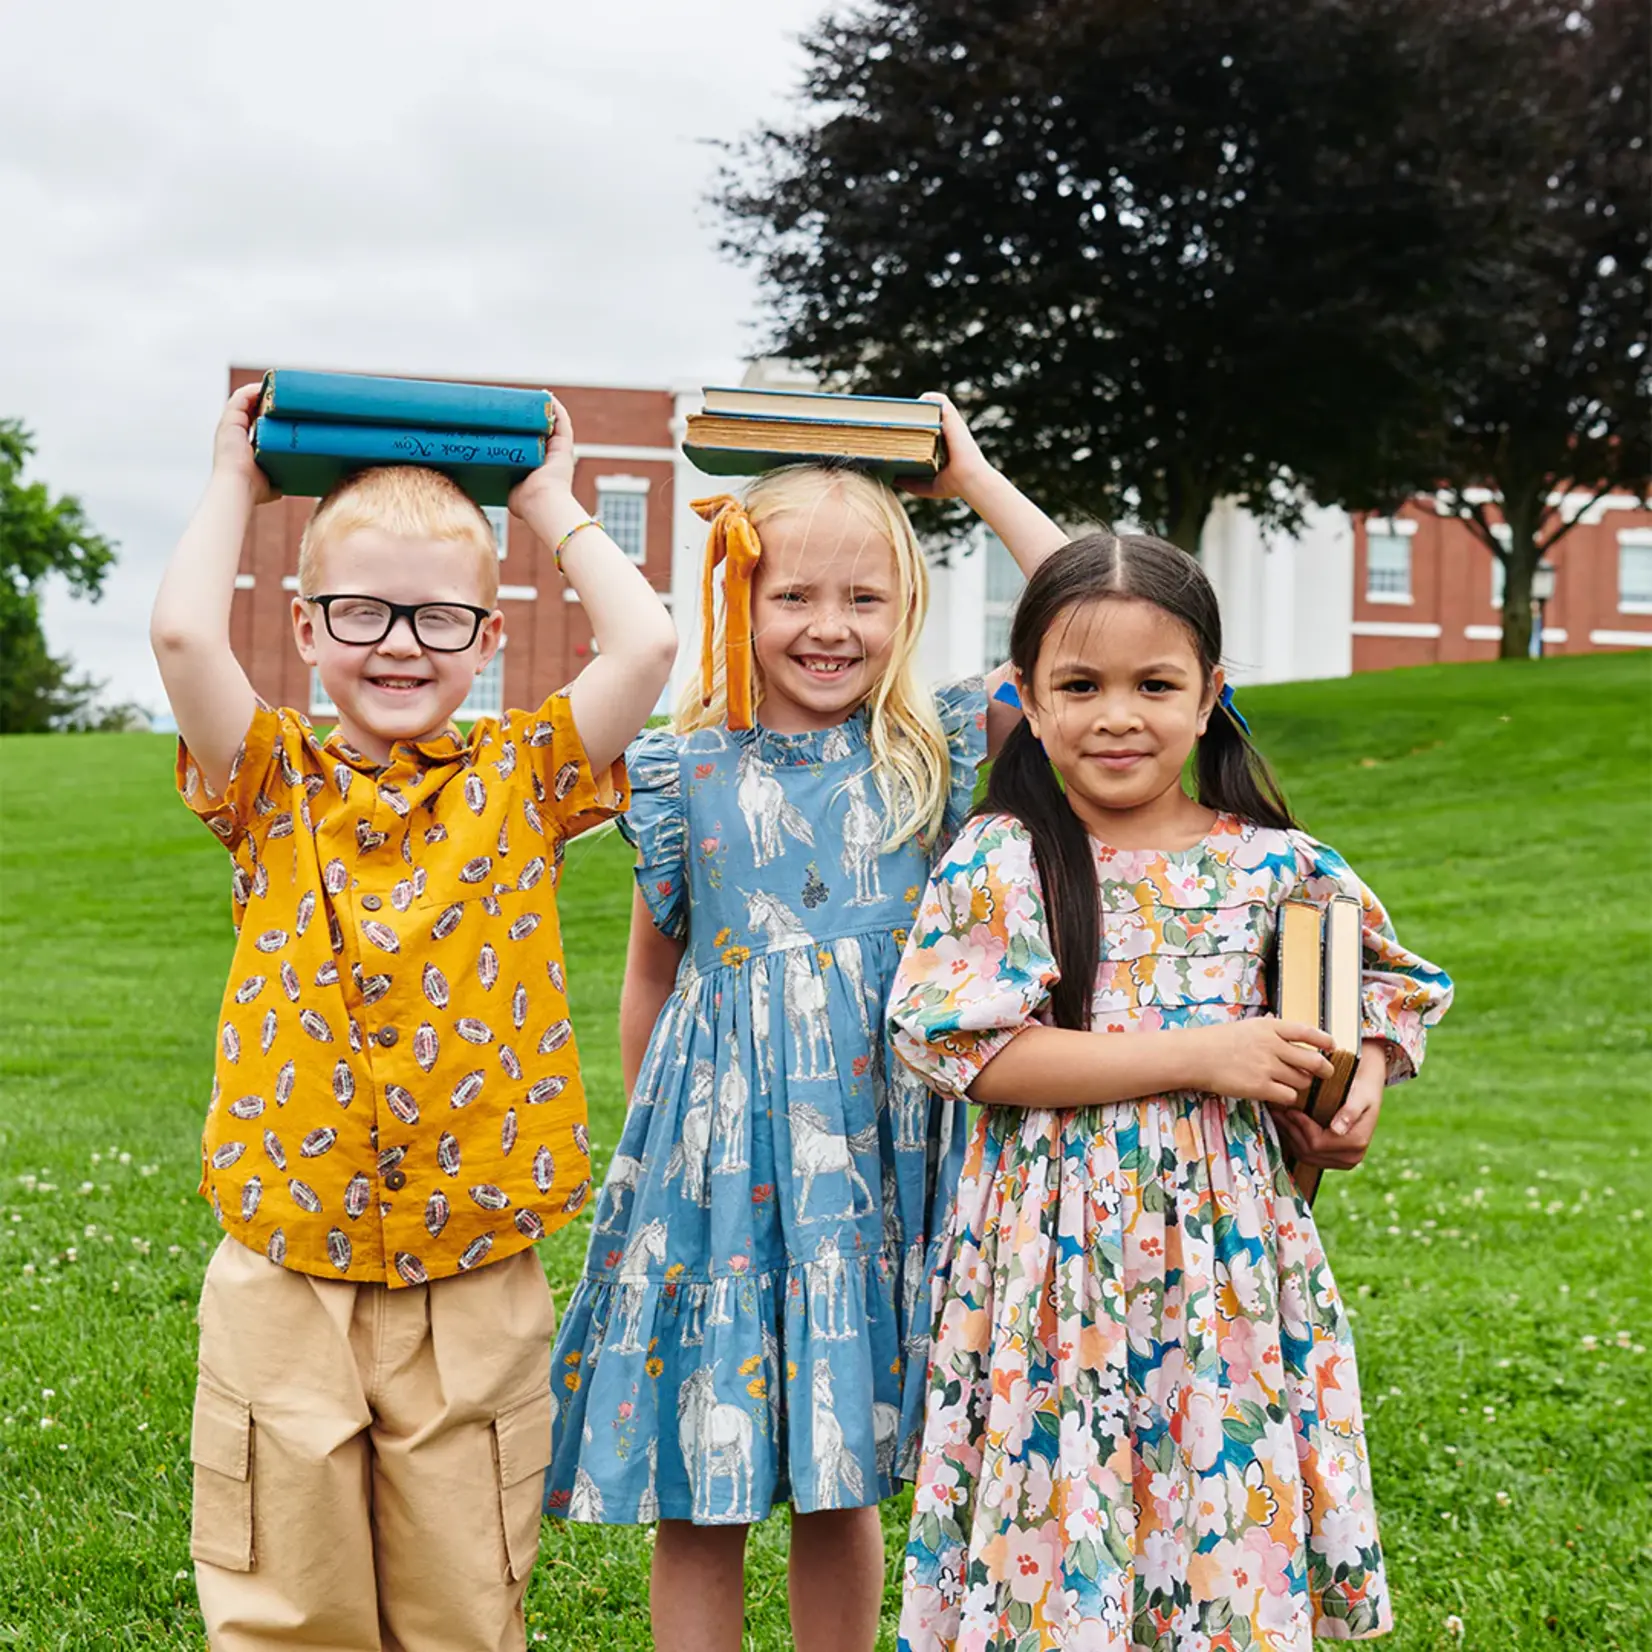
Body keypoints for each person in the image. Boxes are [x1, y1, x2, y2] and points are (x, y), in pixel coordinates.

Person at [150, 382, 676, 1651]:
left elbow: (647, 645)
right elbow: (179, 637)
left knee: (461, 1605)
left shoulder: (528, 776)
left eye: (440, 615)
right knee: (288, 1600)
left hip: (476, 1273)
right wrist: (237, 476)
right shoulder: (268, 778)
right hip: (287, 1265)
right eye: (362, 611)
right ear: (304, 625)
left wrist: (546, 498)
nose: (400, 642)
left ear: (489, 635)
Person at [543, 400, 1068, 1652]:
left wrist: (980, 480)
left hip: (888, 1164)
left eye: (864, 599)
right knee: (702, 1482)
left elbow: (1096, 613)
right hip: (719, 1176)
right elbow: (650, 980)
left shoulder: (935, 747)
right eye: (794, 596)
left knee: (847, 1469)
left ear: (907, 611)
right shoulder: (683, 767)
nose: (829, 627)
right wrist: (653, 1154)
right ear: (739, 600)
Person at [888, 534, 1454, 1651]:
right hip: (1054, 1266)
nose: (1116, 715)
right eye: (1078, 685)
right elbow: (970, 1052)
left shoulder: (1278, 865)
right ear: (1028, 700)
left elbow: (1386, 987)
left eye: (1154, 684)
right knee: (1059, 1531)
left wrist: (1357, 1085)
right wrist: (1204, 1054)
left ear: (1209, 698)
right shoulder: (1002, 856)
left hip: (1224, 1274)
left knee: (1211, 1516)